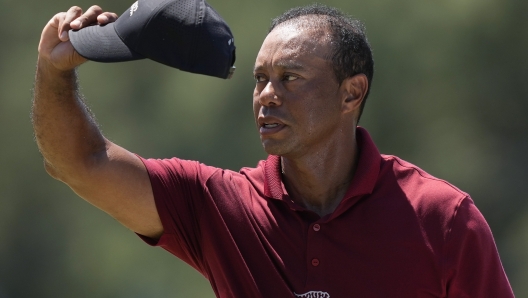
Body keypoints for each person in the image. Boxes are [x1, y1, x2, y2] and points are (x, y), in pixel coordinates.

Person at [33, 1, 514, 297]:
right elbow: (79, 162)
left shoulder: (443, 217)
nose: (266, 95)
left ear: (352, 93)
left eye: (290, 78)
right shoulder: (219, 206)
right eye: (260, 79)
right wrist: (55, 71)